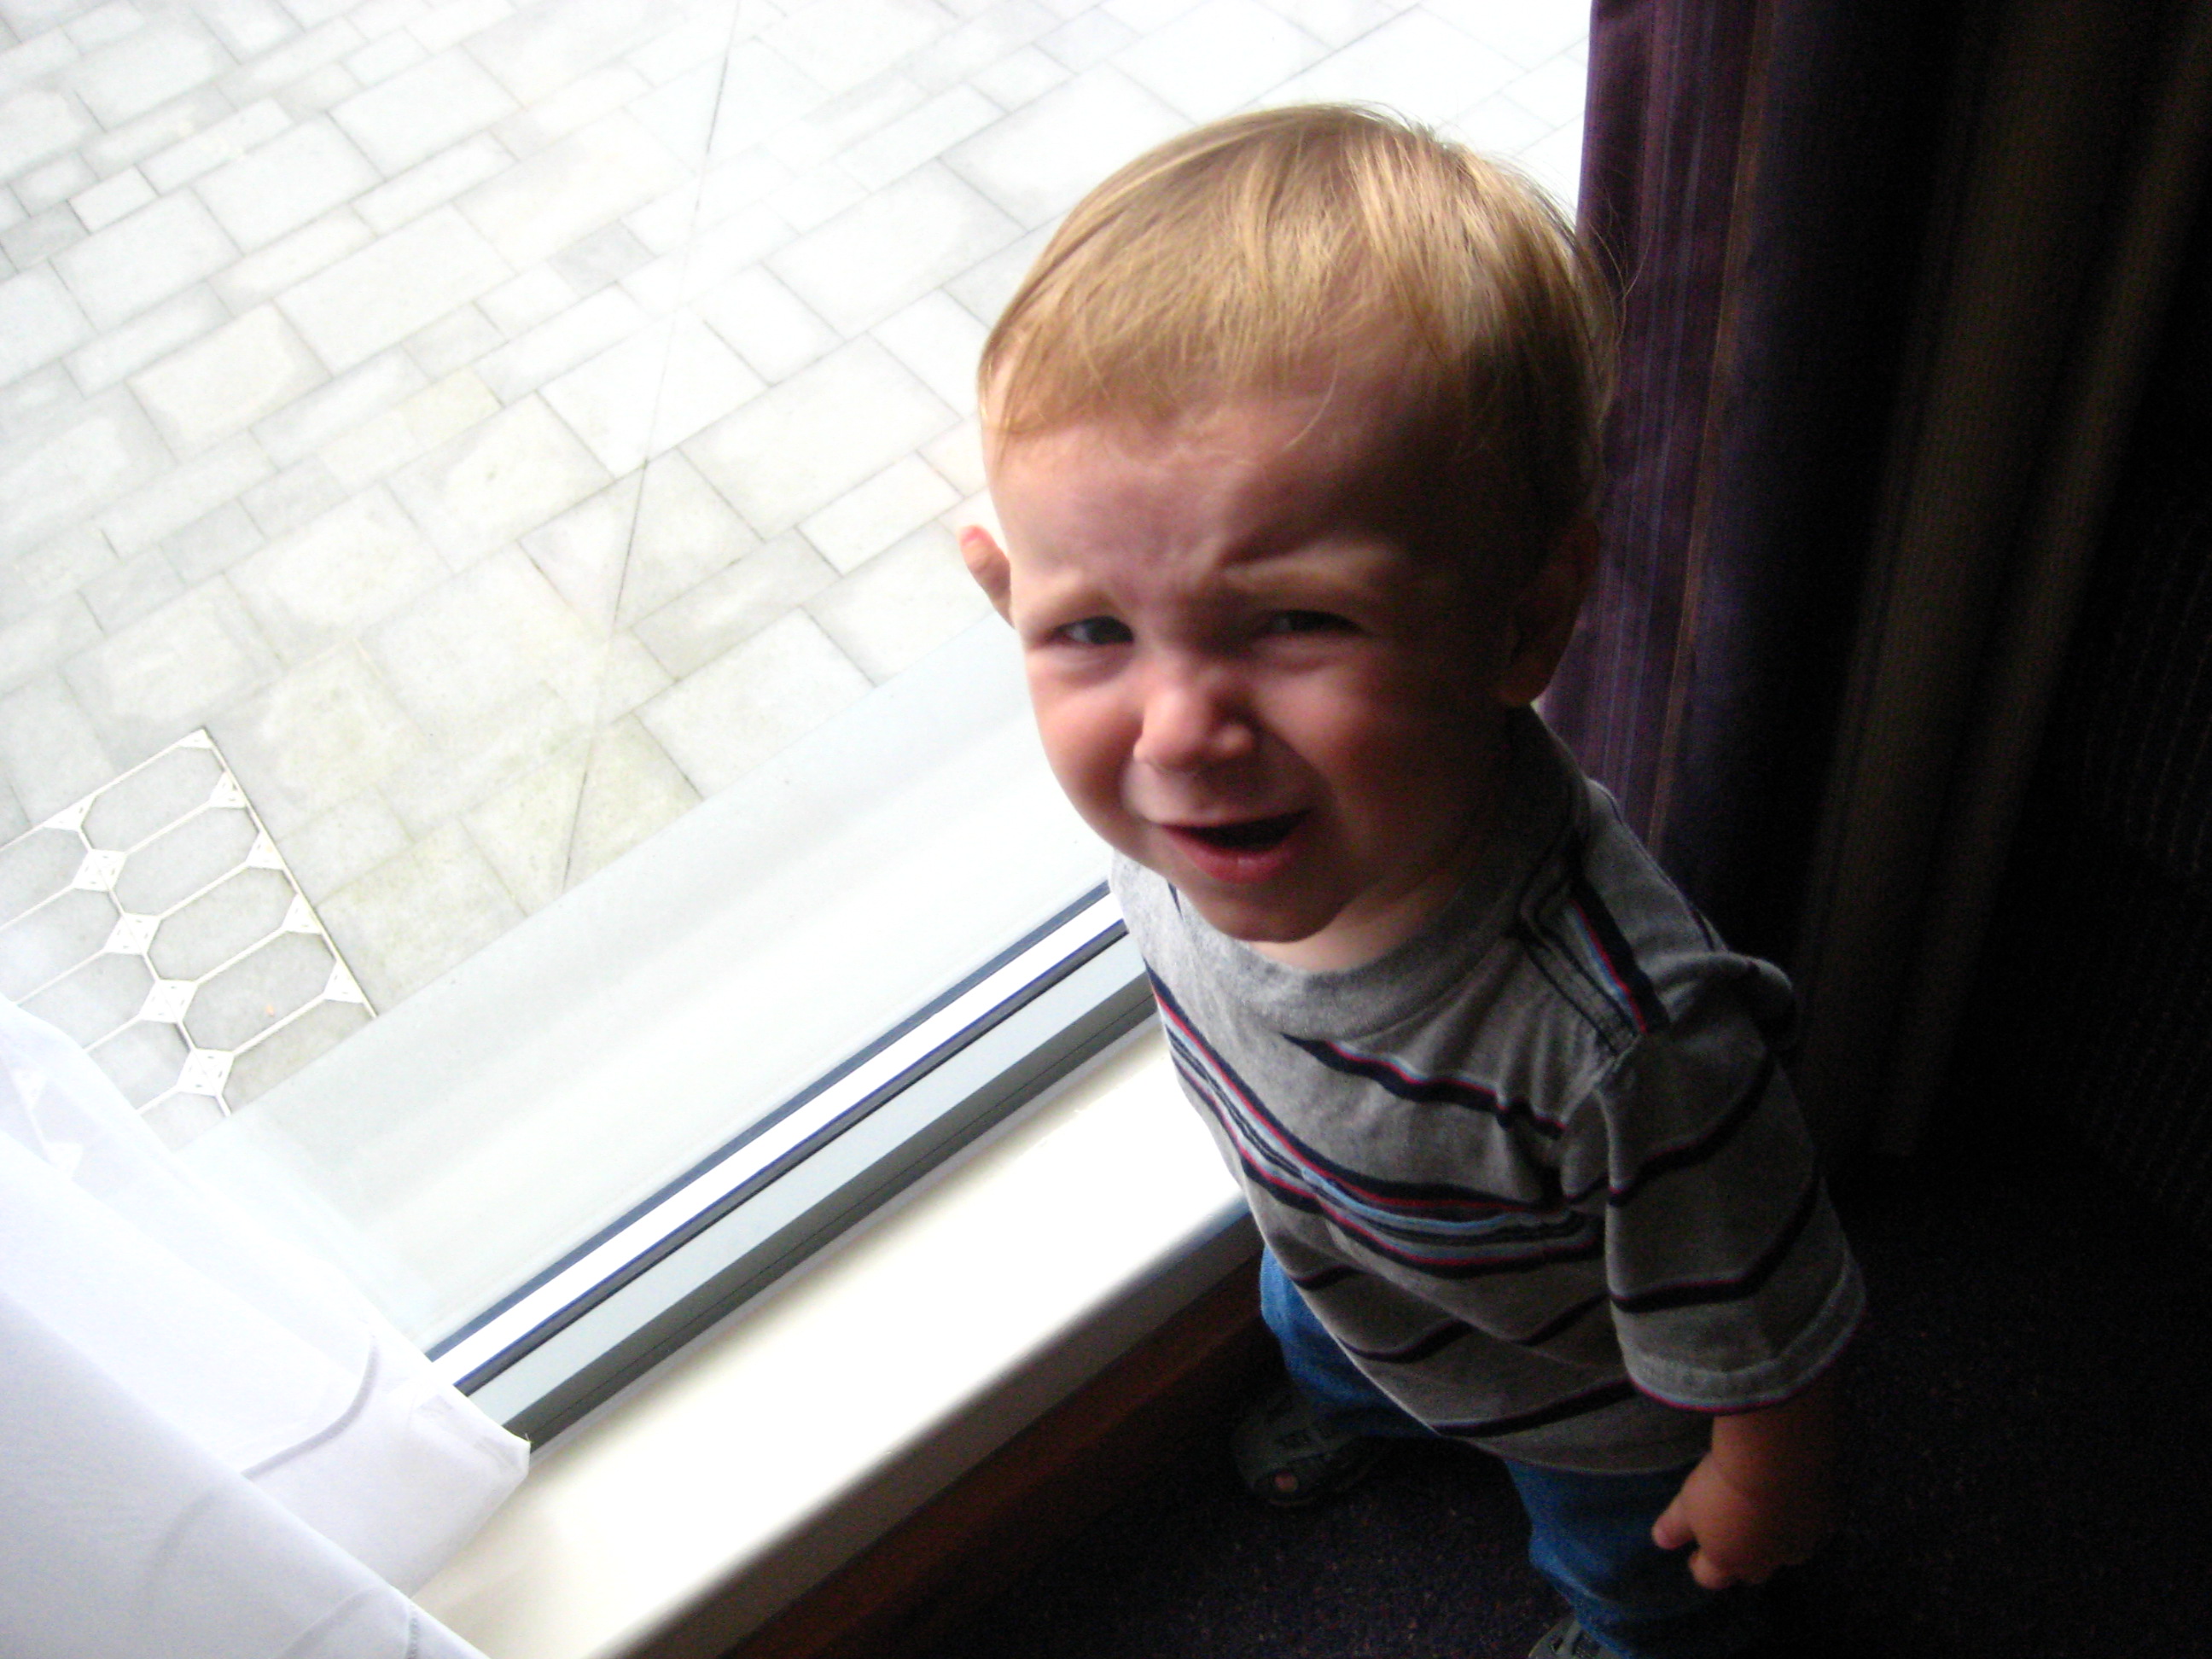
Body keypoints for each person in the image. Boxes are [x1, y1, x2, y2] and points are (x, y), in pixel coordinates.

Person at [957, 104, 1863, 1659]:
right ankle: (1367, 1398)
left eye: (1298, 622)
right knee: (1311, 1325)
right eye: (1092, 630)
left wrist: (1765, 1472)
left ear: (1522, 624)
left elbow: (1760, 1311)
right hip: (1343, 1253)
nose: (1175, 735)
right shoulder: (1201, 810)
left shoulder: (1622, 1038)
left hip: (1586, 1404)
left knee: (1631, 1567)